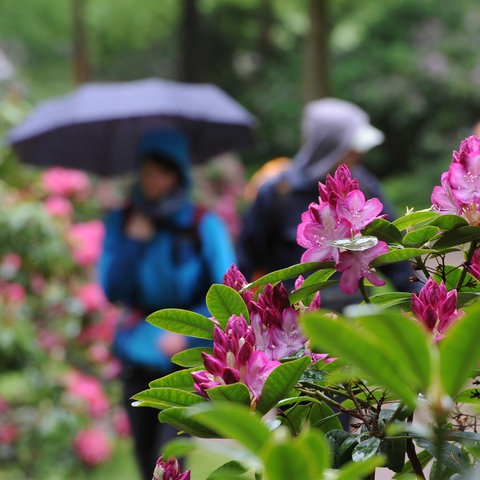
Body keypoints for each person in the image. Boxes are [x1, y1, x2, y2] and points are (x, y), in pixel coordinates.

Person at [97, 129, 236, 480]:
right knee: (146, 460)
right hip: (138, 357)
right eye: (146, 172)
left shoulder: (202, 224)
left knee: (170, 458)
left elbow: (228, 295)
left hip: (182, 362)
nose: (152, 181)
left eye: (161, 172)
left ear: (178, 175)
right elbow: (112, 289)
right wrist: (132, 243)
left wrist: (187, 337)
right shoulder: (124, 221)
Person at [236, 97, 415, 309]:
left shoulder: (364, 186)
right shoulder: (276, 193)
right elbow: (246, 263)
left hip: (355, 321)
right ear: (331, 147)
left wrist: (422, 304)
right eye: (352, 149)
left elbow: (396, 259)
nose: (360, 154)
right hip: (297, 320)